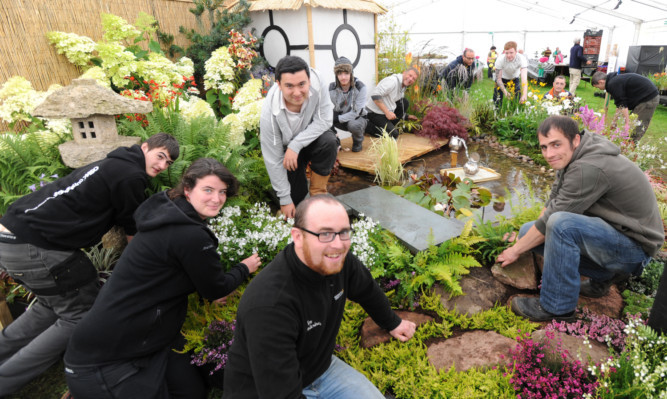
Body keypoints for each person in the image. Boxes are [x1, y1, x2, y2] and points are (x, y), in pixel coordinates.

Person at [63, 158, 261, 398]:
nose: (217, 199)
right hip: (105, 358)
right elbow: (216, 289)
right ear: (187, 189)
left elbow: (177, 268)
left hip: (152, 337)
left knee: (192, 390)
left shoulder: (167, 212)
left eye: (222, 192)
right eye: (208, 190)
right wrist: (244, 267)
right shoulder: (189, 234)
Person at [0, 132, 179, 396]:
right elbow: (134, 231)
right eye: (160, 156)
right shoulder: (130, 175)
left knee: (51, 307)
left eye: (169, 163)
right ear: (144, 147)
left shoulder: (111, 163)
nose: (163, 166)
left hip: (9, 238)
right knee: (81, 315)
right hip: (34, 246)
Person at [223, 195, 417, 398]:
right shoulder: (269, 306)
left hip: (321, 370)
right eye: (325, 234)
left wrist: (393, 323)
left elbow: (367, 290)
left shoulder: (339, 262)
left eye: (344, 232)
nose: (338, 244)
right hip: (264, 390)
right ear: (298, 236)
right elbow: (280, 394)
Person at [496, 115, 663, 322]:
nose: (549, 154)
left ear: (575, 140)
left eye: (556, 144)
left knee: (561, 225)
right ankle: (603, 277)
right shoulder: (572, 156)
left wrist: (514, 251)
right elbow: (551, 206)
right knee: (528, 232)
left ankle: (557, 307)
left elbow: (552, 220)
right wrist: (523, 242)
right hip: (612, 233)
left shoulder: (588, 167)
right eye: (544, 147)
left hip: (635, 248)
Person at [260, 55, 338, 220]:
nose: (297, 93)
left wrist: (296, 145)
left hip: (309, 140)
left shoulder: (318, 83)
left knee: (329, 141)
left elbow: (325, 120)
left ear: (309, 80)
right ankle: (286, 191)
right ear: (279, 84)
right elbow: (272, 158)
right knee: (295, 197)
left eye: (302, 84)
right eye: (289, 86)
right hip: (284, 150)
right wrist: (285, 199)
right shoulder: (269, 112)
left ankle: (318, 194)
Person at [591, 71, 660, 143]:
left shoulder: (612, 84)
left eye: (598, 87)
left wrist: (627, 124)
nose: (600, 89)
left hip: (648, 98)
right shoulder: (613, 81)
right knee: (632, 125)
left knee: (636, 127)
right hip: (644, 97)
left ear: (601, 82)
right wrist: (614, 121)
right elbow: (620, 104)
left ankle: (629, 148)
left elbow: (623, 104)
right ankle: (627, 146)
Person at [365, 67, 419, 138]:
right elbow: (375, 95)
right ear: (404, 73)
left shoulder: (402, 86)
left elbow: (392, 103)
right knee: (393, 134)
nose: (411, 79)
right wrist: (387, 112)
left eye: (413, 79)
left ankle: (389, 127)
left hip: (383, 112)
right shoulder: (392, 81)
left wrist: (406, 116)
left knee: (404, 102)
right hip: (374, 113)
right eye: (410, 75)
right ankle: (366, 126)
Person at [329, 56, 368, 152]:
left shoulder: (361, 87)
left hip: (358, 117)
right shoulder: (331, 88)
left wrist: (336, 118)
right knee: (324, 118)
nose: (343, 77)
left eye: (346, 73)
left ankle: (358, 141)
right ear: (336, 75)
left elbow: (356, 112)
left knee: (353, 125)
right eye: (340, 73)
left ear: (351, 73)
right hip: (341, 115)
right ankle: (335, 141)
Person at [493, 41, 528, 108]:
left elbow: (524, 79)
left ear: (516, 52)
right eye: (507, 53)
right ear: (504, 52)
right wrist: (505, 92)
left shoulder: (522, 59)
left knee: (517, 97)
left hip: (514, 78)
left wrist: (525, 94)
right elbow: (498, 78)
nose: (509, 55)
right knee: (497, 96)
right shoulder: (500, 60)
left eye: (511, 52)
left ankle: (514, 111)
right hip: (502, 78)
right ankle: (497, 111)